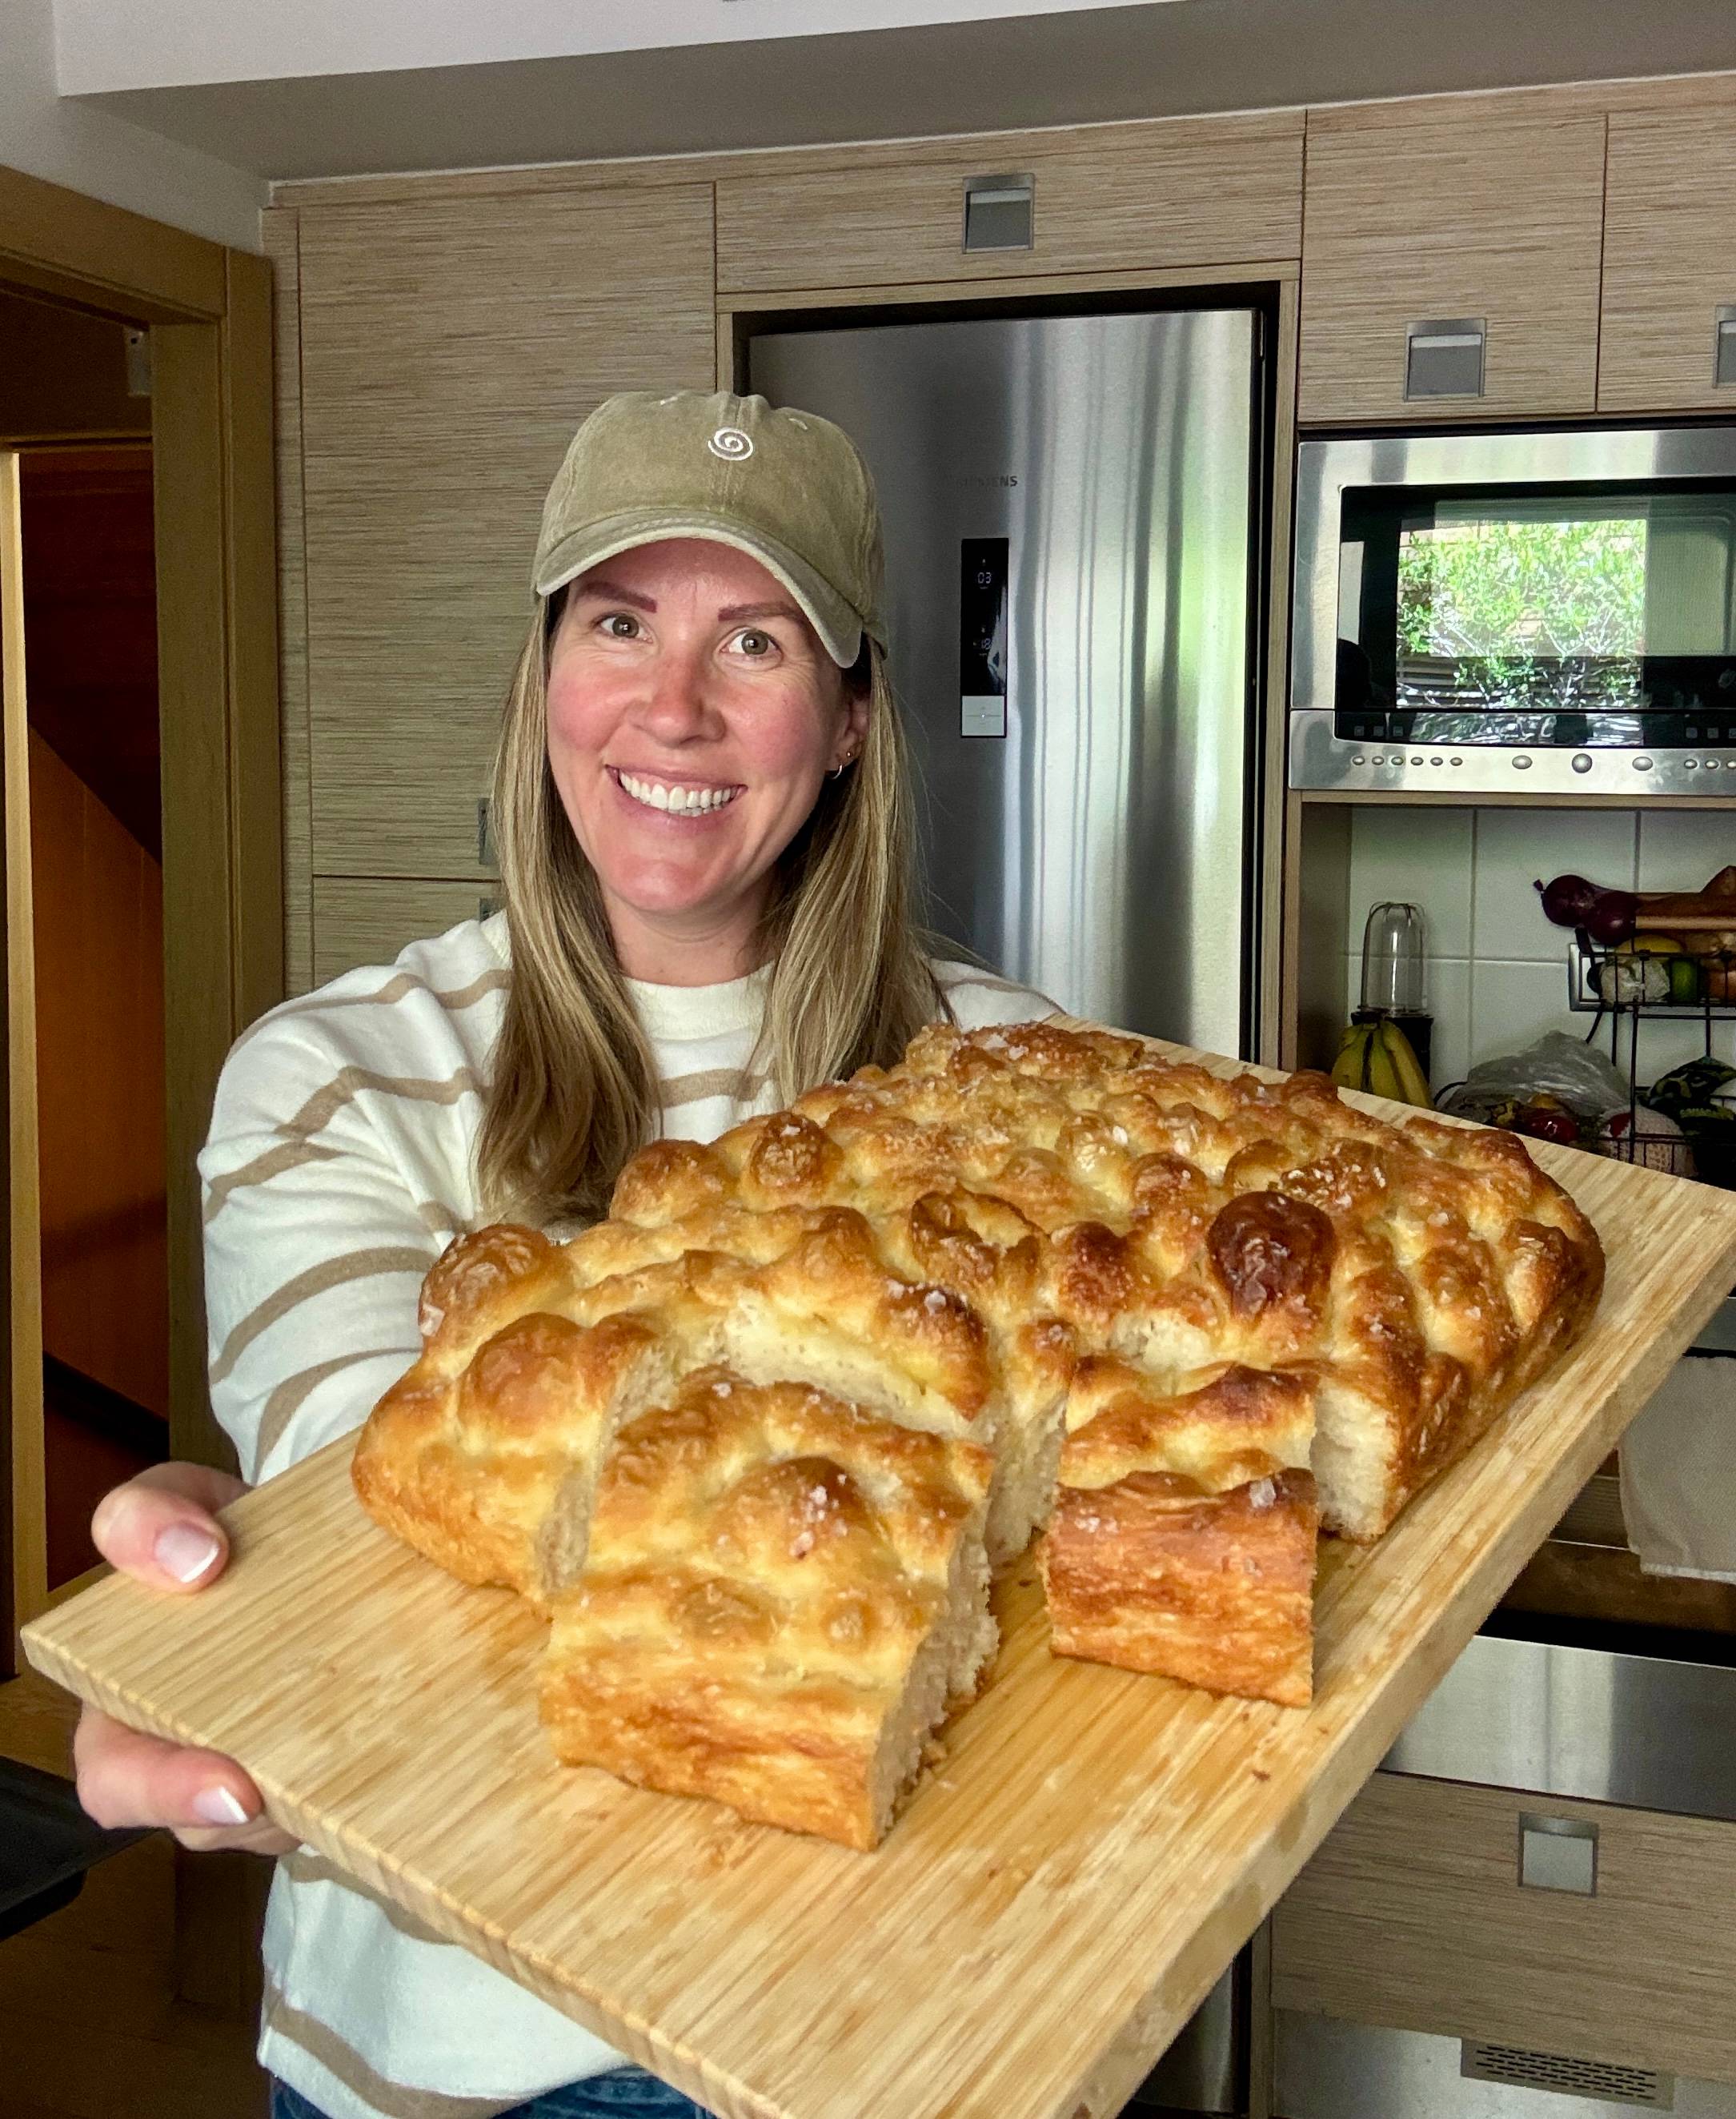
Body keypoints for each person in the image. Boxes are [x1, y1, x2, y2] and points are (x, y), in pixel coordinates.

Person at [74, 389, 1053, 2119]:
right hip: (472, 2047)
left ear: (842, 720)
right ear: (544, 686)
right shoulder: (337, 1077)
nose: (670, 705)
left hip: (890, 2029)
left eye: (751, 639)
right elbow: (423, 1600)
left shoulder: (1016, 1087)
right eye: (618, 623)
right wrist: (249, 1626)